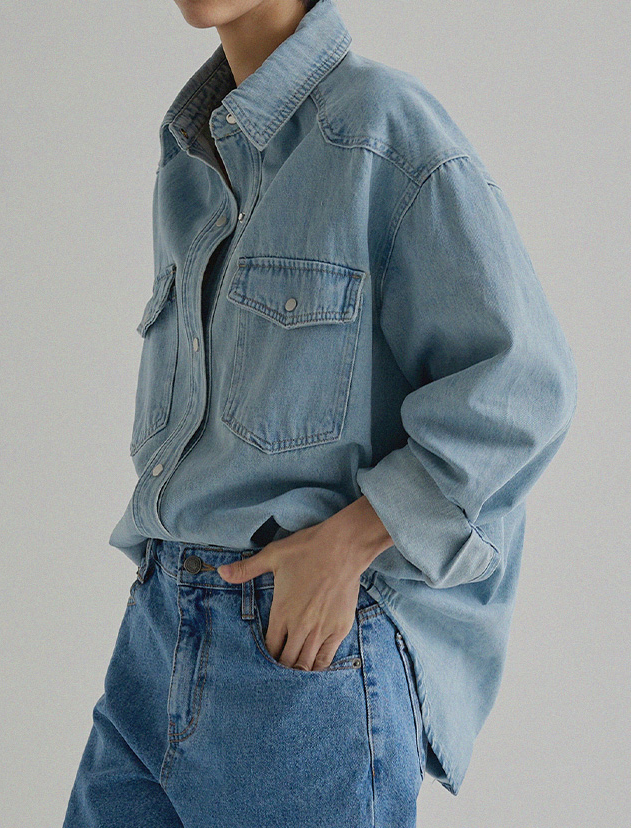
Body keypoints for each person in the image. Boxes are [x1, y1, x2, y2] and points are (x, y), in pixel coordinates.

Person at [62, 0, 578, 825]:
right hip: (154, 642)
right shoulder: (191, 155)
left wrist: (353, 541)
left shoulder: (382, 128)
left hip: (295, 656)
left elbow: (524, 383)